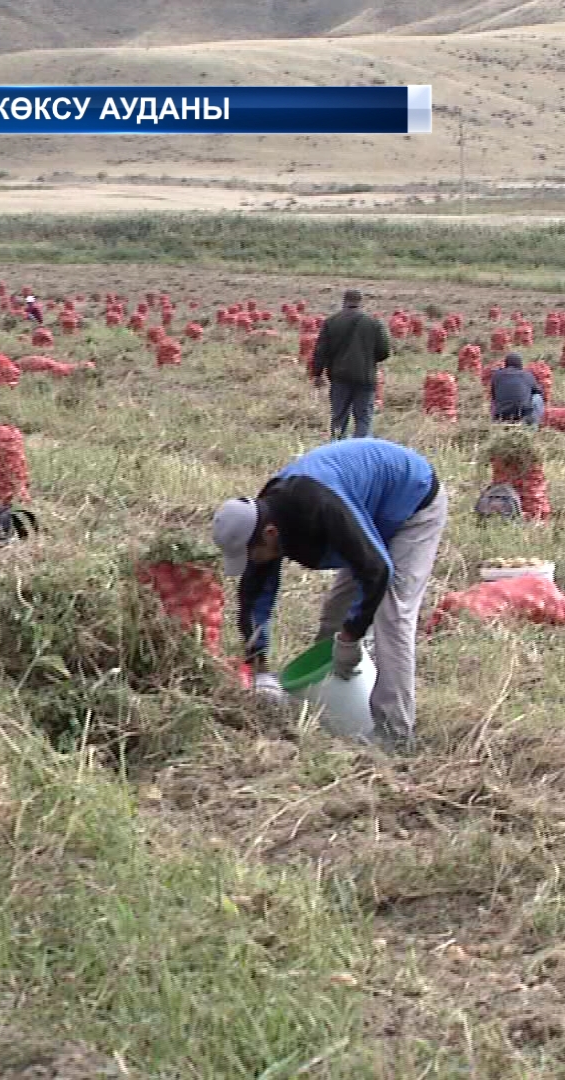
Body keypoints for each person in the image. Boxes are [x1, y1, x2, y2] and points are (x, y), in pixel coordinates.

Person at [212, 438, 447, 751]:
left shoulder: (319, 506)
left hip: (412, 504)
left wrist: (350, 638)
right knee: (334, 614)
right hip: (365, 515)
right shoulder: (261, 522)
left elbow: (376, 571)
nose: (252, 563)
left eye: (251, 555)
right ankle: (329, 709)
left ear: (270, 535)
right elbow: (255, 595)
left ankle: (396, 734)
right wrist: (259, 666)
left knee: (392, 615)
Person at [310, 288, 392, 440]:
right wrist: (369, 360)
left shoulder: (331, 321)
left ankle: (337, 447)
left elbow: (320, 351)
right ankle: (360, 449)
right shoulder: (373, 323)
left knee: (339, 416)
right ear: (360, 302)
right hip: (365, 377)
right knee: (363, 417)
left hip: (339, 377)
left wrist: (317, 373)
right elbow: (384, 351)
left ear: (344, 301)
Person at [488, 351, 545, 425]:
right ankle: (532, 426)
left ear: (506, 363)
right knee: (537, 397)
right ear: (520, 364)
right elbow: (538, 391)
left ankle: (495, 422)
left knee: (493, 400)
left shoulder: (496, 375)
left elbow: (494, 396)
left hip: (501, 416)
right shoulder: (527, 375)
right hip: (522, 415)